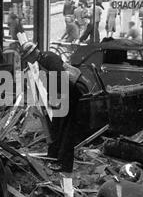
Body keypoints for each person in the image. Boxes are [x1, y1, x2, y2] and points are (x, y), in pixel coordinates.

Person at [19, 41, 90, 173]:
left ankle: (64, 164)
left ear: (34, 52)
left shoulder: (48, 58)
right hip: (65, 93)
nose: (28, 60)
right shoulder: (41, 61)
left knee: (66, 129)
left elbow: (60, 78)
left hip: (73, 91)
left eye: (28, 56)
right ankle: (53, 157)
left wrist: (57, 99)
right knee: (56, 126)